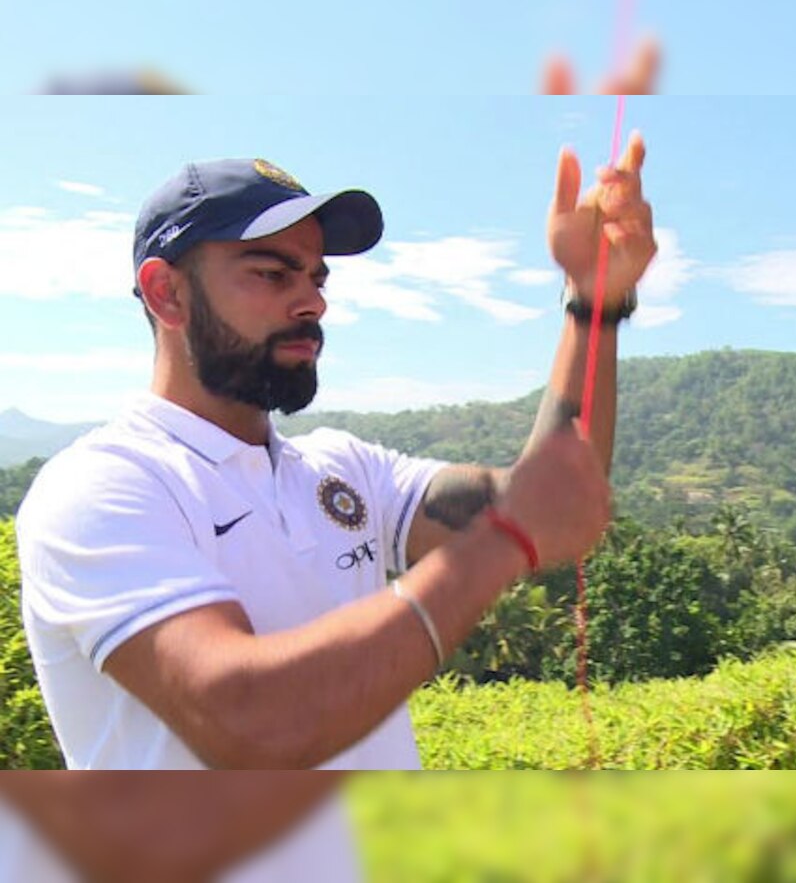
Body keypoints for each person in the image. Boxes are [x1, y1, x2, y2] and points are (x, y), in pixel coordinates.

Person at [6, 141, 654, 874]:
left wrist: (595, 303)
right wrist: (503, 538)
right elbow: (251, 725)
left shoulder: (341, 469)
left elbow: (556, 499)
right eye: (271, 273)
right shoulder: (100, 486)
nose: (312, 300)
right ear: (167, 293)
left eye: (315, 276)